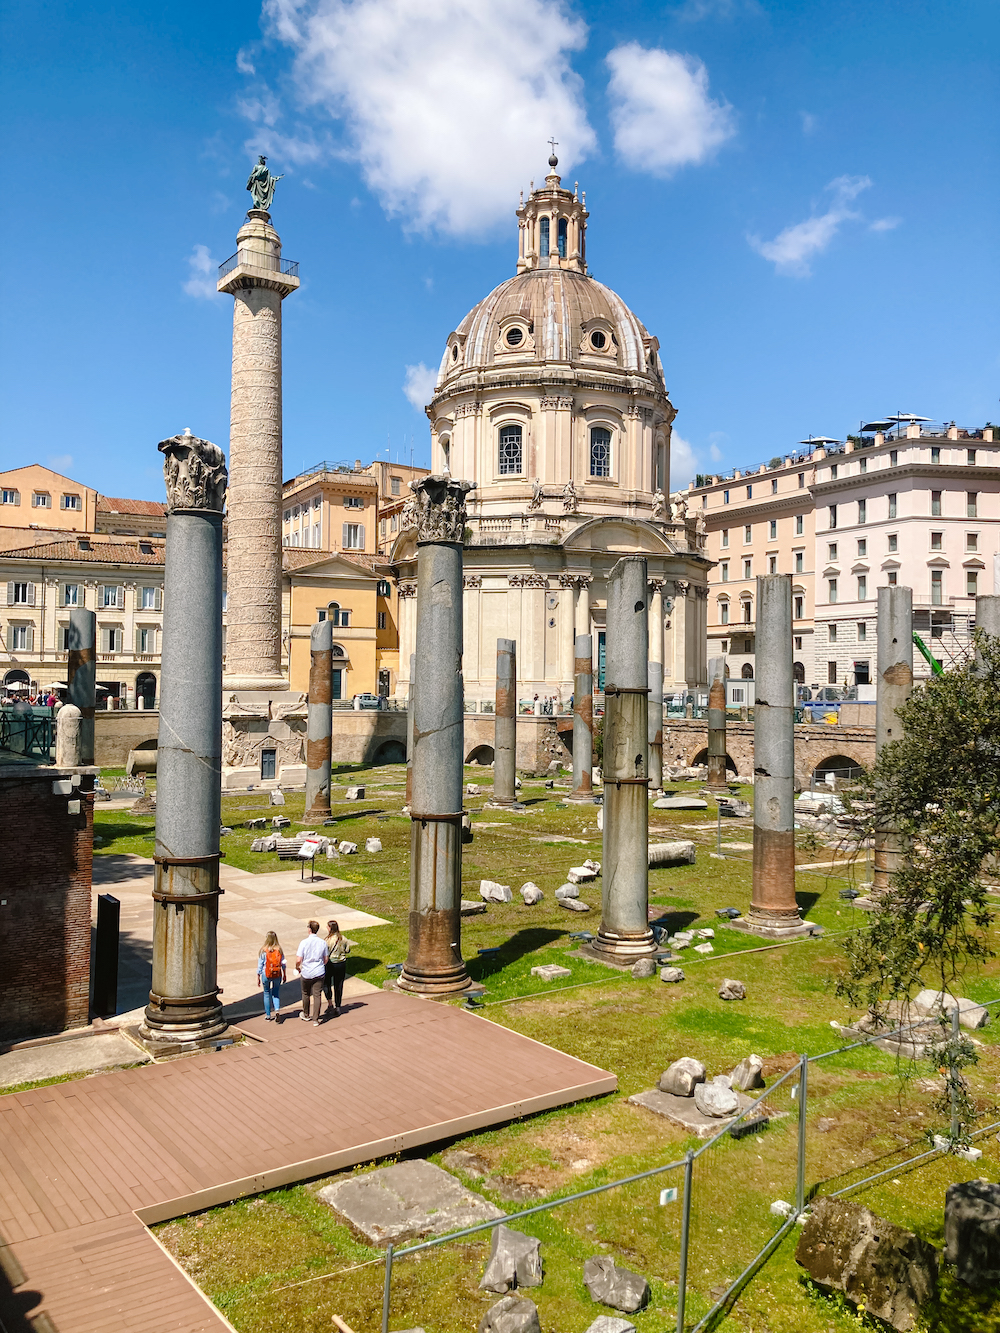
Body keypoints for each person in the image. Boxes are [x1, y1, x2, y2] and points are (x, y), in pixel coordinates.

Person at [295, 920, 328, 1025]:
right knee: (317, 995)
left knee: (305, 993)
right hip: (319, 971)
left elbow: (299, 959)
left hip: (307, 972)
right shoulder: (322, 942)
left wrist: (297, 967)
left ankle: (306, 1014)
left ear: (309, 929)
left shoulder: (304, 942)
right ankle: (316, 1019)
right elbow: (326, 959)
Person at [323, 919, 351, 1015]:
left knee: (326, 983)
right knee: (338, 985)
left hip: (330, 964)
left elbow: (324, 952)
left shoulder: (327, 940)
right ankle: (338, 1006)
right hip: (341, 964)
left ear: (330, 928)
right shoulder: (343, 938)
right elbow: (348, 950)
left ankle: (330, 1003)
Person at [256, 931, 286, 1021]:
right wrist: (284, 973)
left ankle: (268, 1015)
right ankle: (277, 1011)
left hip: (266, 973)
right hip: (277, 973)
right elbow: (283, 963)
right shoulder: (279, 949)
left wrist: (258, 976)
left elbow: (260, 965)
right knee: (276, 993)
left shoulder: (263, 950)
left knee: (266, 993)